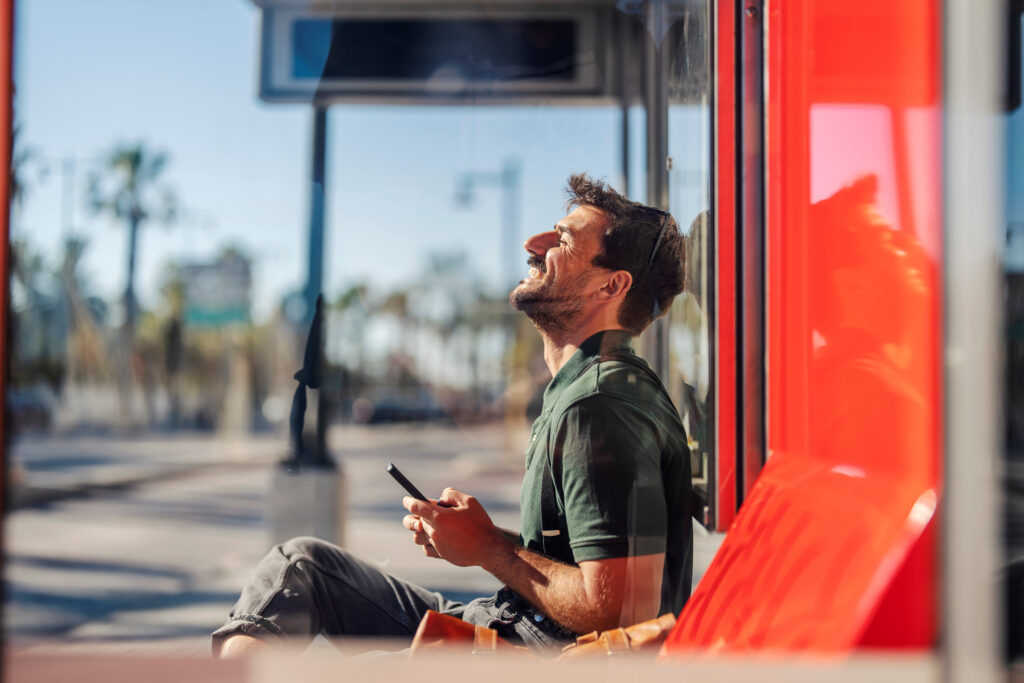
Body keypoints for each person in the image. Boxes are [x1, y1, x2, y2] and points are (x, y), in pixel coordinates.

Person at [212, 173, 692, 657]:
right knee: (301, 569)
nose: (533, 243)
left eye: (562, 239)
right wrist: (475, 536)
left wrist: (488, 547)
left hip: (523, 653)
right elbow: (594, 572)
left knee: (296, 572)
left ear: (611, 285)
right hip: (511, 624)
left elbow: (623, 608)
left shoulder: (599, 404)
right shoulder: (593, 387)